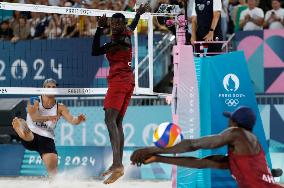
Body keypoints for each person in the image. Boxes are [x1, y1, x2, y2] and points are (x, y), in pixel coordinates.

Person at [131, 106, 284, 188]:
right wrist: (158, 158)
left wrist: (150, 149)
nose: (228, 123)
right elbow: (199, 163)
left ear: (236, 124)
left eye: (230, 119)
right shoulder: (236, 157)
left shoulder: (237, 133)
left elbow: (193, 145)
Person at [91, 3, 149, 184]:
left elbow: (95, 51)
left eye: (118, 24)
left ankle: (117, 164)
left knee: (109, 120)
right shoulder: (126, 32)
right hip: (126, 81)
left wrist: (99, 29)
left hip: (119, 81)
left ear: (122, 25)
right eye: (113, 23)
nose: (115, 26)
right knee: (117, 122)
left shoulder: (118, 41)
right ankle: (118, 164)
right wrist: (138, 14)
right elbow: (133, 25)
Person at [12, 78, 86, 178]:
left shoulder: (60, 107)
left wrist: (79, 119)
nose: (51, 89)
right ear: (43, 88)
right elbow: (34, 117)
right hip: (32, 135)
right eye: (48, 87)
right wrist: (50, 117)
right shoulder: (34, 100)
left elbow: (72, 120)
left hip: (46, 139)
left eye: (53, 87)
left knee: (53, 170)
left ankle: (53, 184)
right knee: (26, 131)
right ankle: (21, 128)